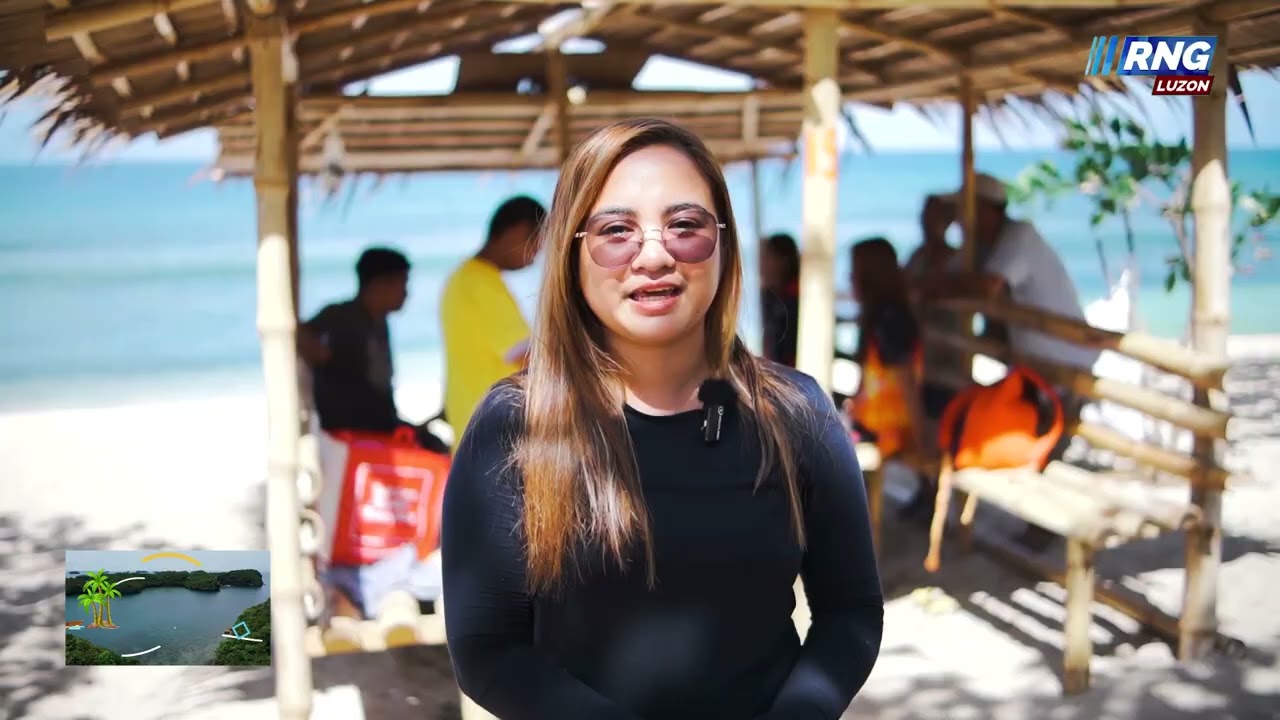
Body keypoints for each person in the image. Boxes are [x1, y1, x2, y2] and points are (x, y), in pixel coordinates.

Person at [441, 118, 883, 720]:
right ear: (573, 251)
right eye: (616, 231)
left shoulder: (796, 413)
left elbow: (850, 611)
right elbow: (486, 649)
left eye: (685, 226)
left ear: (721, 243)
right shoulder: (514, 426)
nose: (654, 255)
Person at [298, 247, 448, 454]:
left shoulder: (378, 321)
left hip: (380, 423)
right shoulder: (343, 316)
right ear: (379, 284)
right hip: (354, 431)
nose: (406, 293)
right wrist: (320, 357)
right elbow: (299, 332)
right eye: (402, 284)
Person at [440, 195, 546, 439]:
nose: (537, 254)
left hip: (476, 430)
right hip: (493, 436)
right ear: (519, 231)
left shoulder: (464, 279)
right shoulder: (479, 283)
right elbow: (530, 358)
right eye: (538, 241)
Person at [843, 238, 935, 519]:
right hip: (877, 419)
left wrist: (921, 440)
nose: (850, 277)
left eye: (855, 271)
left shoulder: (891, 321)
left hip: (888, 426)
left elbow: (906, 384)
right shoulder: (881, 315)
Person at [760, 232, 800, 367]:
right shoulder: (770, 297)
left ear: (783, 260)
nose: (761, 265)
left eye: (767, 258)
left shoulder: (796, 298)